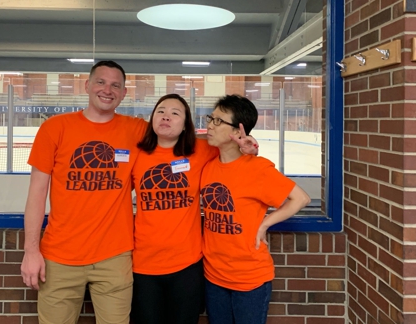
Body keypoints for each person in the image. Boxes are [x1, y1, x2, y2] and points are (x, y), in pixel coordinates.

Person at [20, 60, 148, 324]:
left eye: (115, 85)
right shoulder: (55, 128)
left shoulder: (137, 130)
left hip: (115, 257)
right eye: (100, 82)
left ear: (124, 93)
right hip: (59, 257)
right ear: (87, 85)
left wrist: (235, 144)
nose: (107, 90)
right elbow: (36, 195)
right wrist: (31, 251)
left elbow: (181, 139)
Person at [131, 93, 258, 324]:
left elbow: (234, 150)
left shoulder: (200, 150)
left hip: (187, 265)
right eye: (160, 111)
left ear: (185, 125)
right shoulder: (136, 154)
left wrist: (249, 150)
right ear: (152, 119)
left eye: (175, 113)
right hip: (143, 265)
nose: (166, 116)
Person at [201, 94, 311, 324]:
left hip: (249, 278)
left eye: (218, 121)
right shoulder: (208, 166)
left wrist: (266, 223)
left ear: (238, 131)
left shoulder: (257, 168)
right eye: (211, 118)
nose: (210, 125)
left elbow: (300, 198)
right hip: (214, 277)